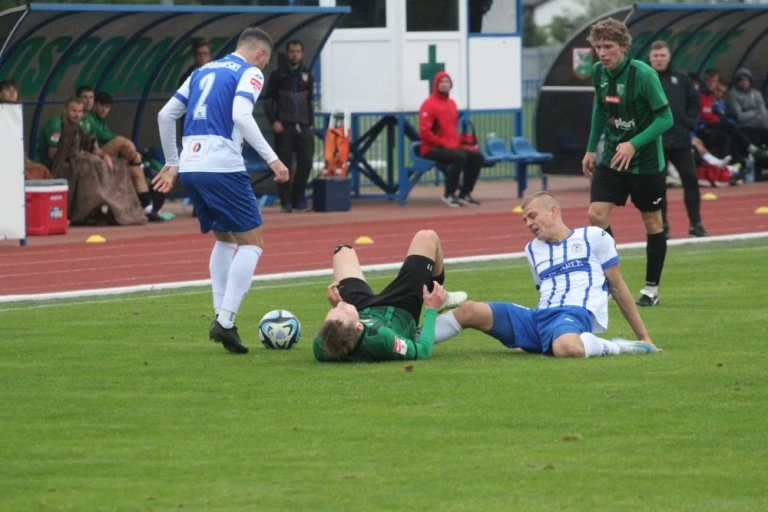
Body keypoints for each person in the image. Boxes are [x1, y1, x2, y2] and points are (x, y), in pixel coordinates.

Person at [153, 27, 289, 355]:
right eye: (266, 62)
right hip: (221, 164)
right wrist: (273, 159)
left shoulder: (202, 71)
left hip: (192, 165)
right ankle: (225, 321)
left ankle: (221, 317)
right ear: (260, 54)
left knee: (226, 239)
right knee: (253, 243)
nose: (264, 69)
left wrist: (173, 162)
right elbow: (241, 115)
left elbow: (165, 114)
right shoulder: (249, 72)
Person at [433, 191, 660, 357]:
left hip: (574, 314)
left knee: (567, 347)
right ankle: (411, 342)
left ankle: (620, 346)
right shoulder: (532, 249)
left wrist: (644, 337)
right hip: (538, 318)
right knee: (469, 310)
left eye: (532, 216)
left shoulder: (595, 237)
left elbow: (618, 287)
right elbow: (545, 292)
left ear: (553, 212)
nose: (528, 224)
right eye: (525, 220)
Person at [581, 18, 673, 307]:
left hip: (645, 161)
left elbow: (666, 119)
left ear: (623, 46)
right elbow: (599, 109)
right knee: (596, 216)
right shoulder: (598, 72)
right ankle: (612, 280)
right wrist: (590, 149)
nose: (602, 53)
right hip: (612, 157)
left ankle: (651, 288)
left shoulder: (643, 75)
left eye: (608, 47)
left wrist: (634, 143)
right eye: (598, 47)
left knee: (652, 222)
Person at [313, 230, 468, 362]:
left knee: (343, 251)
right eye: (343, 310)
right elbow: (422, 351)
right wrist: (431, 309)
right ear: (359, 326)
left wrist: (340, 307)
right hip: (399, 308)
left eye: (333, 312)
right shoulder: (381, 339)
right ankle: (438, 295)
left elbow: (339, 330)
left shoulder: (323, 343)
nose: (341, 304)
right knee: (427, 237)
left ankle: (344, 313)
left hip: (361, 308)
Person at [648, 40, 708, 238]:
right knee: (658, 185)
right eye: (656, 56)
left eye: (662, 55)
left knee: (691, 179)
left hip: (681, 139)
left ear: (669, 56)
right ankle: (662, 226)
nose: (659, 59)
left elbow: (694, 100)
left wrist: (690, 121)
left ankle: (696, 224)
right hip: (656, 141)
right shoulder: (644, 78)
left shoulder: (681, 77)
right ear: (650, 58)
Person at [263, 39, 315, 212]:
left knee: (306, 162)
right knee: (284, 162)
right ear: (287, 53)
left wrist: (311, 122)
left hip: (304, 125)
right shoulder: (278, 75)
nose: (295, 54)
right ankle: (285, 200)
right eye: (292, 51)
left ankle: (298, 196)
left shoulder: (307, 74)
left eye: (298, 51)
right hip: (284, 125)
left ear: (302, 53)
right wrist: (274, 121)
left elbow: (310, 101)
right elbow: (268, 100)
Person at [419, 71, 484, 207]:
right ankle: (449, 194)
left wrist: (458, 141)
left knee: (477, 157)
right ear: (436, 85)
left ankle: (465, 193)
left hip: (451, 146)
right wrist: (441, 142)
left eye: (447, 82)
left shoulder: (452, 104)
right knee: (459, 157)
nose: (444, 84)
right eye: (441, 82)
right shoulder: (429, 104)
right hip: (432, 148)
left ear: (451, 85)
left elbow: (450, 129)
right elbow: (425, 131)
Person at [726, 68, 768, 147]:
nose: (744, 82)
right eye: (741, 80)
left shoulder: (756, 94)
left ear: (750, 81)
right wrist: (755, 112)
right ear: (737, 81)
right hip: (742, 125)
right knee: (761, 119)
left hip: (759, 122)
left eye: (746, 80)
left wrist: (757, 113)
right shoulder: (733, 94)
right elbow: (740, 117)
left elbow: (763, 112)